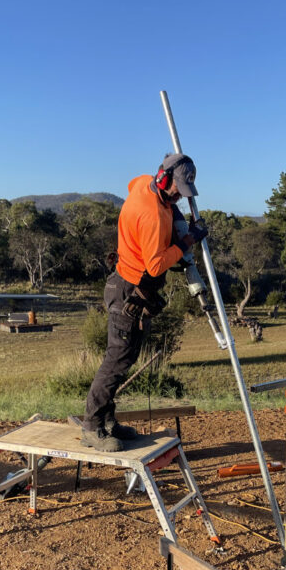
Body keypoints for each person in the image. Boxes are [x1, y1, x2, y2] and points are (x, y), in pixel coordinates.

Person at [81, 153, 208, 451]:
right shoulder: (151, 214)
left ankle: (107, 422)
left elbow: (132, 183)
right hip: (129, 290)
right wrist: (188, 241)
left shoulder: (143, 185)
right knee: (117, 360)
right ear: (163, 179)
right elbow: (155, 266)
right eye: (176, 188)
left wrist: (176, 220)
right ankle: (92, 426)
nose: (179, 195)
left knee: (125, 358)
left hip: (126, 285)